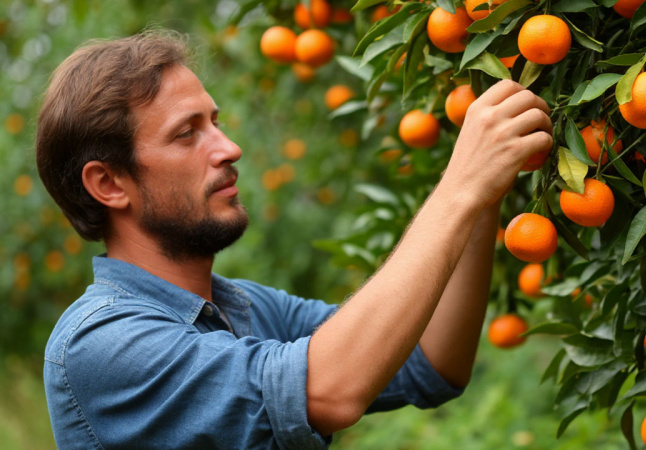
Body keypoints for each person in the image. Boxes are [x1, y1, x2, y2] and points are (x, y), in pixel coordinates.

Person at [37, 30, 553, 448]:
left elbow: (431, 363)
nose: (229, 147)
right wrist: (459, 188)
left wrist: (485, 195)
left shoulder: (249, 310)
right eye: (186, 133)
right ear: (108, 184)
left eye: (215, 122)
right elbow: (329, 391)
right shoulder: (100, 343)